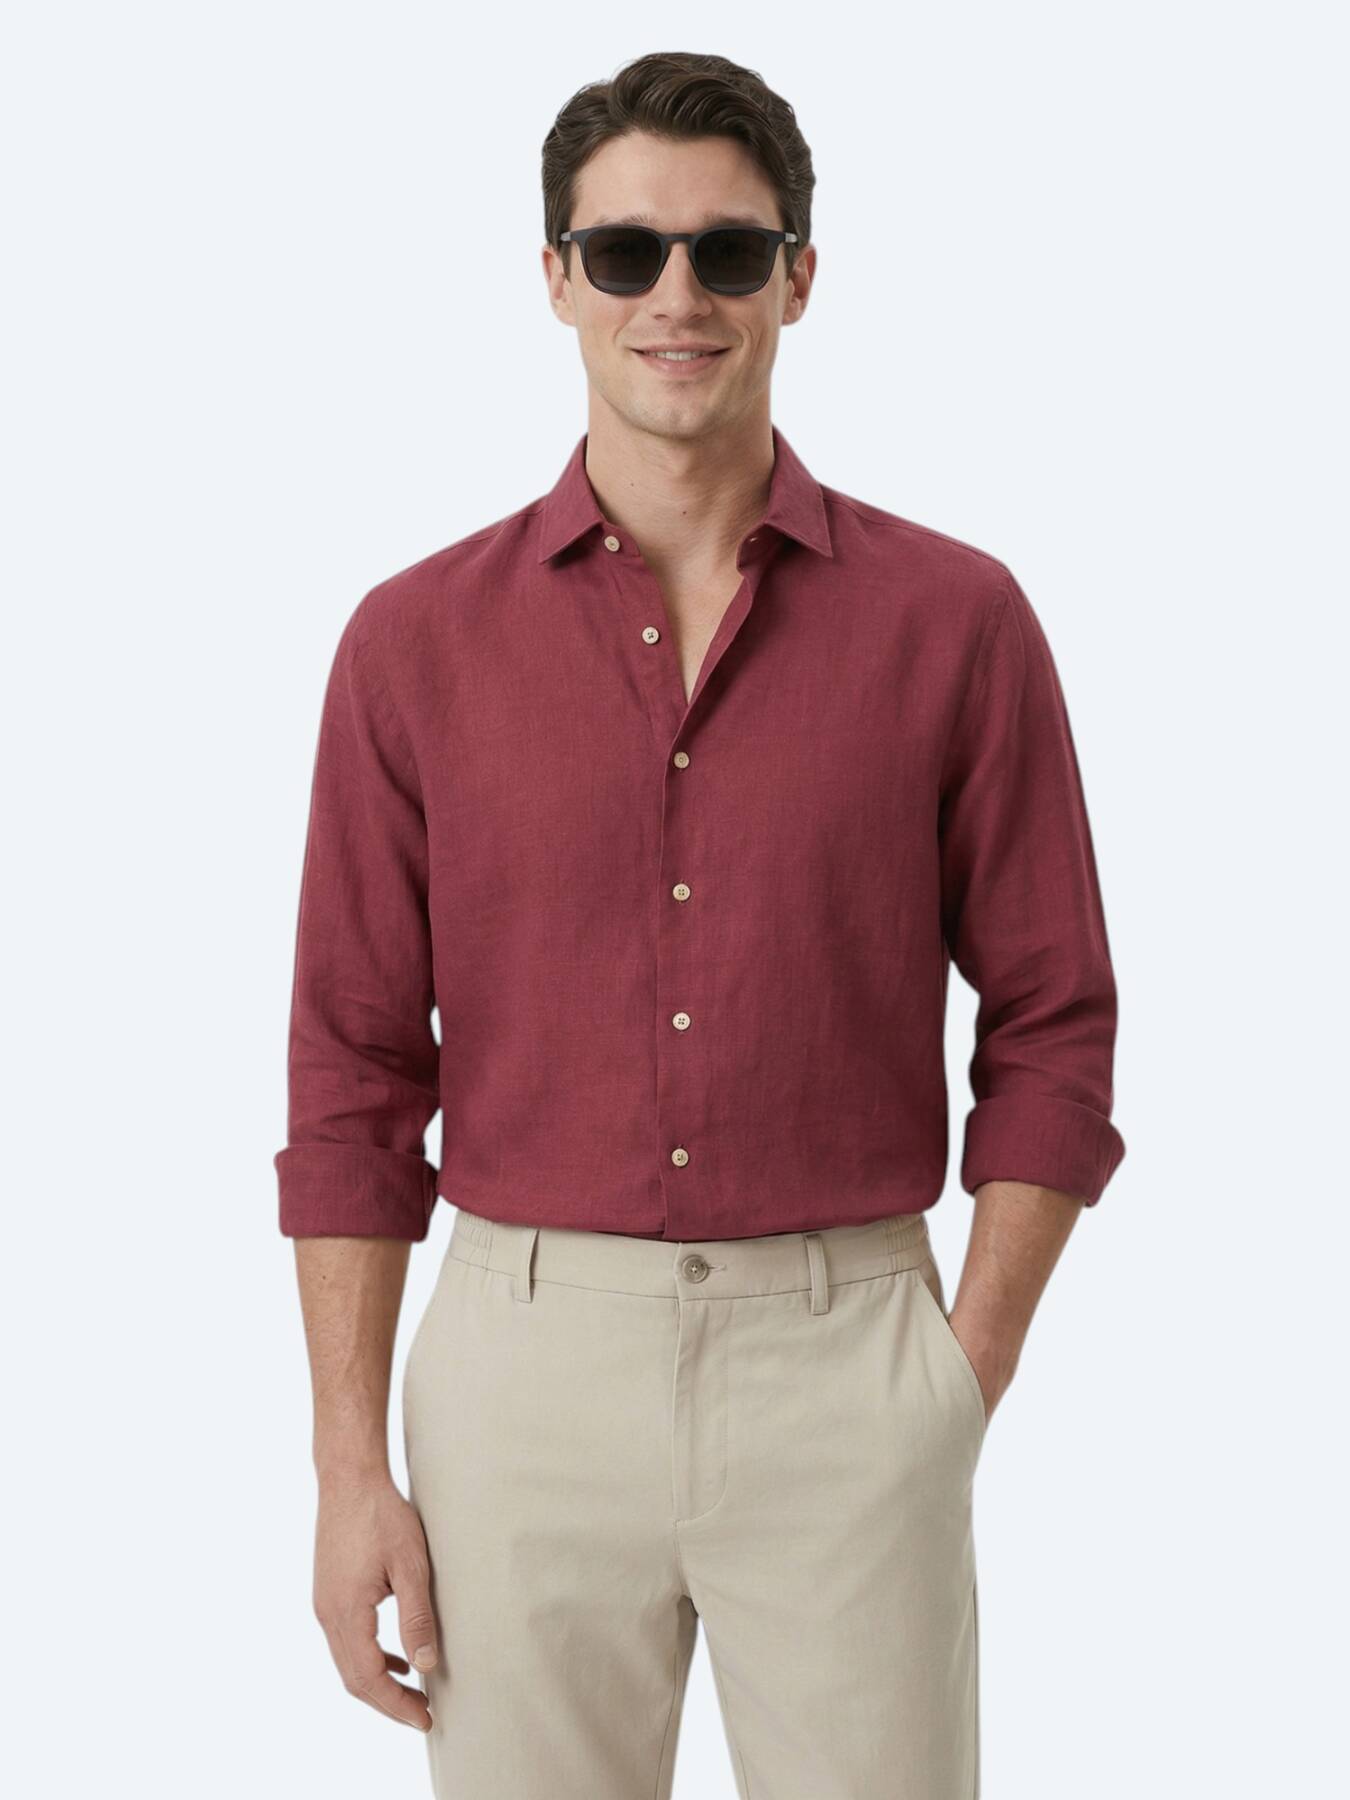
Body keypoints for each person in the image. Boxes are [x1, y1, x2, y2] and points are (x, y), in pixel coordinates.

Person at [275, 49, 1126, 1800]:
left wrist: (957, 1376)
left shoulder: (955, 620)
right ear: (555, 279)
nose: (677, 297)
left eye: (728, 252)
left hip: (851, 1360)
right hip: (520, 1373)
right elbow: (351, 1069)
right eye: (626, 252)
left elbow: (1054, 1017)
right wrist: (348, 1469)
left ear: (798, 278)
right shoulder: (411, 642)